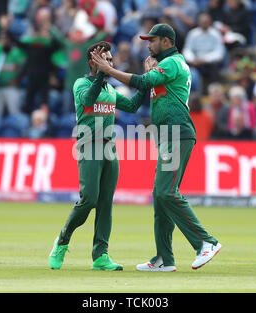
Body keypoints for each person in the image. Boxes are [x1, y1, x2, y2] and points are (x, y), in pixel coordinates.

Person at [91, 23, 221, 272]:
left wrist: (108, 70)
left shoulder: (172, 63)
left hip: (177, 132)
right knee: (161, 196)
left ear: (166, 41)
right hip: (167, 134)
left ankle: (205, 242)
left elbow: (142, 82)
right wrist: (148, 75)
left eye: (152, 40)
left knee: (166, 192)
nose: (148, 45)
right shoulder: (168, 65)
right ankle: (164, 259)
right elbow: (150, 84)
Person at [48, 41, 147, 271]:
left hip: (109, 148)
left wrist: (146, 80)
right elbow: (88, 101)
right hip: (88, 145)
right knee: (89, 199)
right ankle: (62, 240)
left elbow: (132, 106)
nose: (110, 64)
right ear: (93, 62)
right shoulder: (81, 84)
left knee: (105, 204)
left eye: (111, 61)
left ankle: (100, 255)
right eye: (105, 60)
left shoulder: (111, 90)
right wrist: (102, 76)